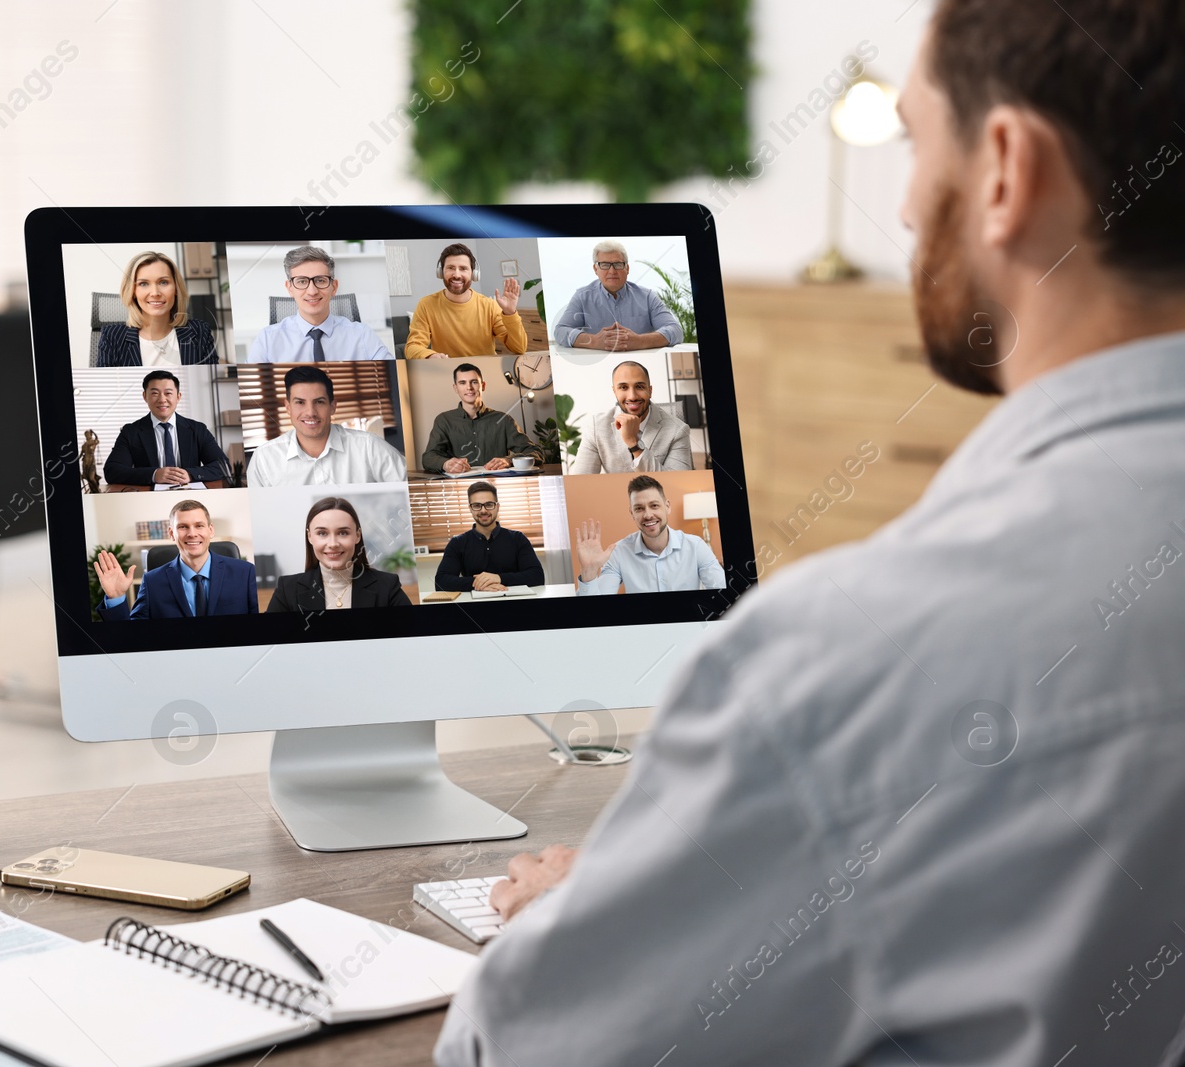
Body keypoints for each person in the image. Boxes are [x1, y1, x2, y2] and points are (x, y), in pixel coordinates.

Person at [436, 2, 1185, 1064]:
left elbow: (527, 1048)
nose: (914, 209)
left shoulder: (841, 661)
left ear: (1006, 170)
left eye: (920, 142)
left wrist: (597, 917)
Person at [93, 499, 256, 620]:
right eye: (183, 527)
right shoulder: (152, 582)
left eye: (199, 525)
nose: (192, 533)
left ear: (210, 530)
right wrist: (115, 597)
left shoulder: (245, 573)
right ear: (171, 533)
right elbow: (132, 639)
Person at [245, 366, 406, 487]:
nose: (310, 412)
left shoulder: (369, 447)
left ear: (333, 406)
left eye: (319, 402)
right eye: (300, 402)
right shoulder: (264, 459)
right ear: (288, 407)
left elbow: (407, 494)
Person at [573, 475, 722, 594]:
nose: (648, 515)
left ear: (667, 506)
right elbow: (595, 611)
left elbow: (724, 595)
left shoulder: (696, 546)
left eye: (654, 505)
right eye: (639, 508)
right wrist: (589, 572)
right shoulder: (618, 552)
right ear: (632, 513)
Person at [265, 496, 413, 611]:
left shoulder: (387, 586)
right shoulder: (287, 589)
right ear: (310, 537)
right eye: (322, 533)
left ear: (357, 536)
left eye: (343, 533)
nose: (333, 544)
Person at [246, 246, 392, 362]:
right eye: (302, 281)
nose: (312, 291)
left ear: (333, 287)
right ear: (289, 288)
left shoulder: (362, 335)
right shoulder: (267, 339)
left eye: (320, 280)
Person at [102, 370, 231, 487]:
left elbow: (223, 466)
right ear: (144, 396)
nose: (162, 399)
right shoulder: (130, 432)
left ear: (178, 397)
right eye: (154, 393)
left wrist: (190, 474)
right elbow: (112, 471)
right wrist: (154, 474)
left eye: (168, 393)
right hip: (148, 498)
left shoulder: (197, 429)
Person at [551, 240, 684, 351]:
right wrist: (594, 341)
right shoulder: (582, 297)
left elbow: (676, 331)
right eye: (604, 265)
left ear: (627, 268)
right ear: (595, 269)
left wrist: (640, 341)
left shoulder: (647, 297)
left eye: (618, 264)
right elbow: (560, 331)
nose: (612, 271)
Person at [403, 243, 528, 359]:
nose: (456, 274)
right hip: (448, 373)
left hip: (485, 372)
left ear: (474, 274)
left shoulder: (489, 305)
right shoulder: (426, 305)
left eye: (463, 268)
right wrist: (429, 356)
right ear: (441, 272)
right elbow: (412, 347)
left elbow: (519, 348)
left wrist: (510, 313)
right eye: (451, 268)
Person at [94, 250, 217, 366]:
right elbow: (105, 387)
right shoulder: (112, 337)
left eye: (163, 282)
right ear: (133, 292)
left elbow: (211, 384)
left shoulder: (200, 331)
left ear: (176, 288)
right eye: (143, 284)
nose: (155, 293)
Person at [570, 360, 693, 473]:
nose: (632, 396)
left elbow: (677, 479)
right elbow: (581, 478)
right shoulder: (596, 426)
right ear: (615, 391)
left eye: (639, 387)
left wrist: (634, 444)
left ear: (650, 391)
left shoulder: (678, 429)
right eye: (623, 387)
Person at [421, 363, 542, 474]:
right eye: (462, 383)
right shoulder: (443, 420)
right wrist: (445, 464)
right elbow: (428, 458)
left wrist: (509, 460)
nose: (469, 388)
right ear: (455, 388)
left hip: (498, 484)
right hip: (459, 487)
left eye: (474, 382)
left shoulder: (504, 420)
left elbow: (535, 452)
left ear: (482, 385)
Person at [434, 481, 544, 592]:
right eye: (477, 505)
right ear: (470, 508)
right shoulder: (457, 542)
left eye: (489, 505)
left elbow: (537, 576)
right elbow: (440, 582)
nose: (483, 510)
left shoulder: (518, 538)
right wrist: (478, 584)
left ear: (497, 507)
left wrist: (499, 578)